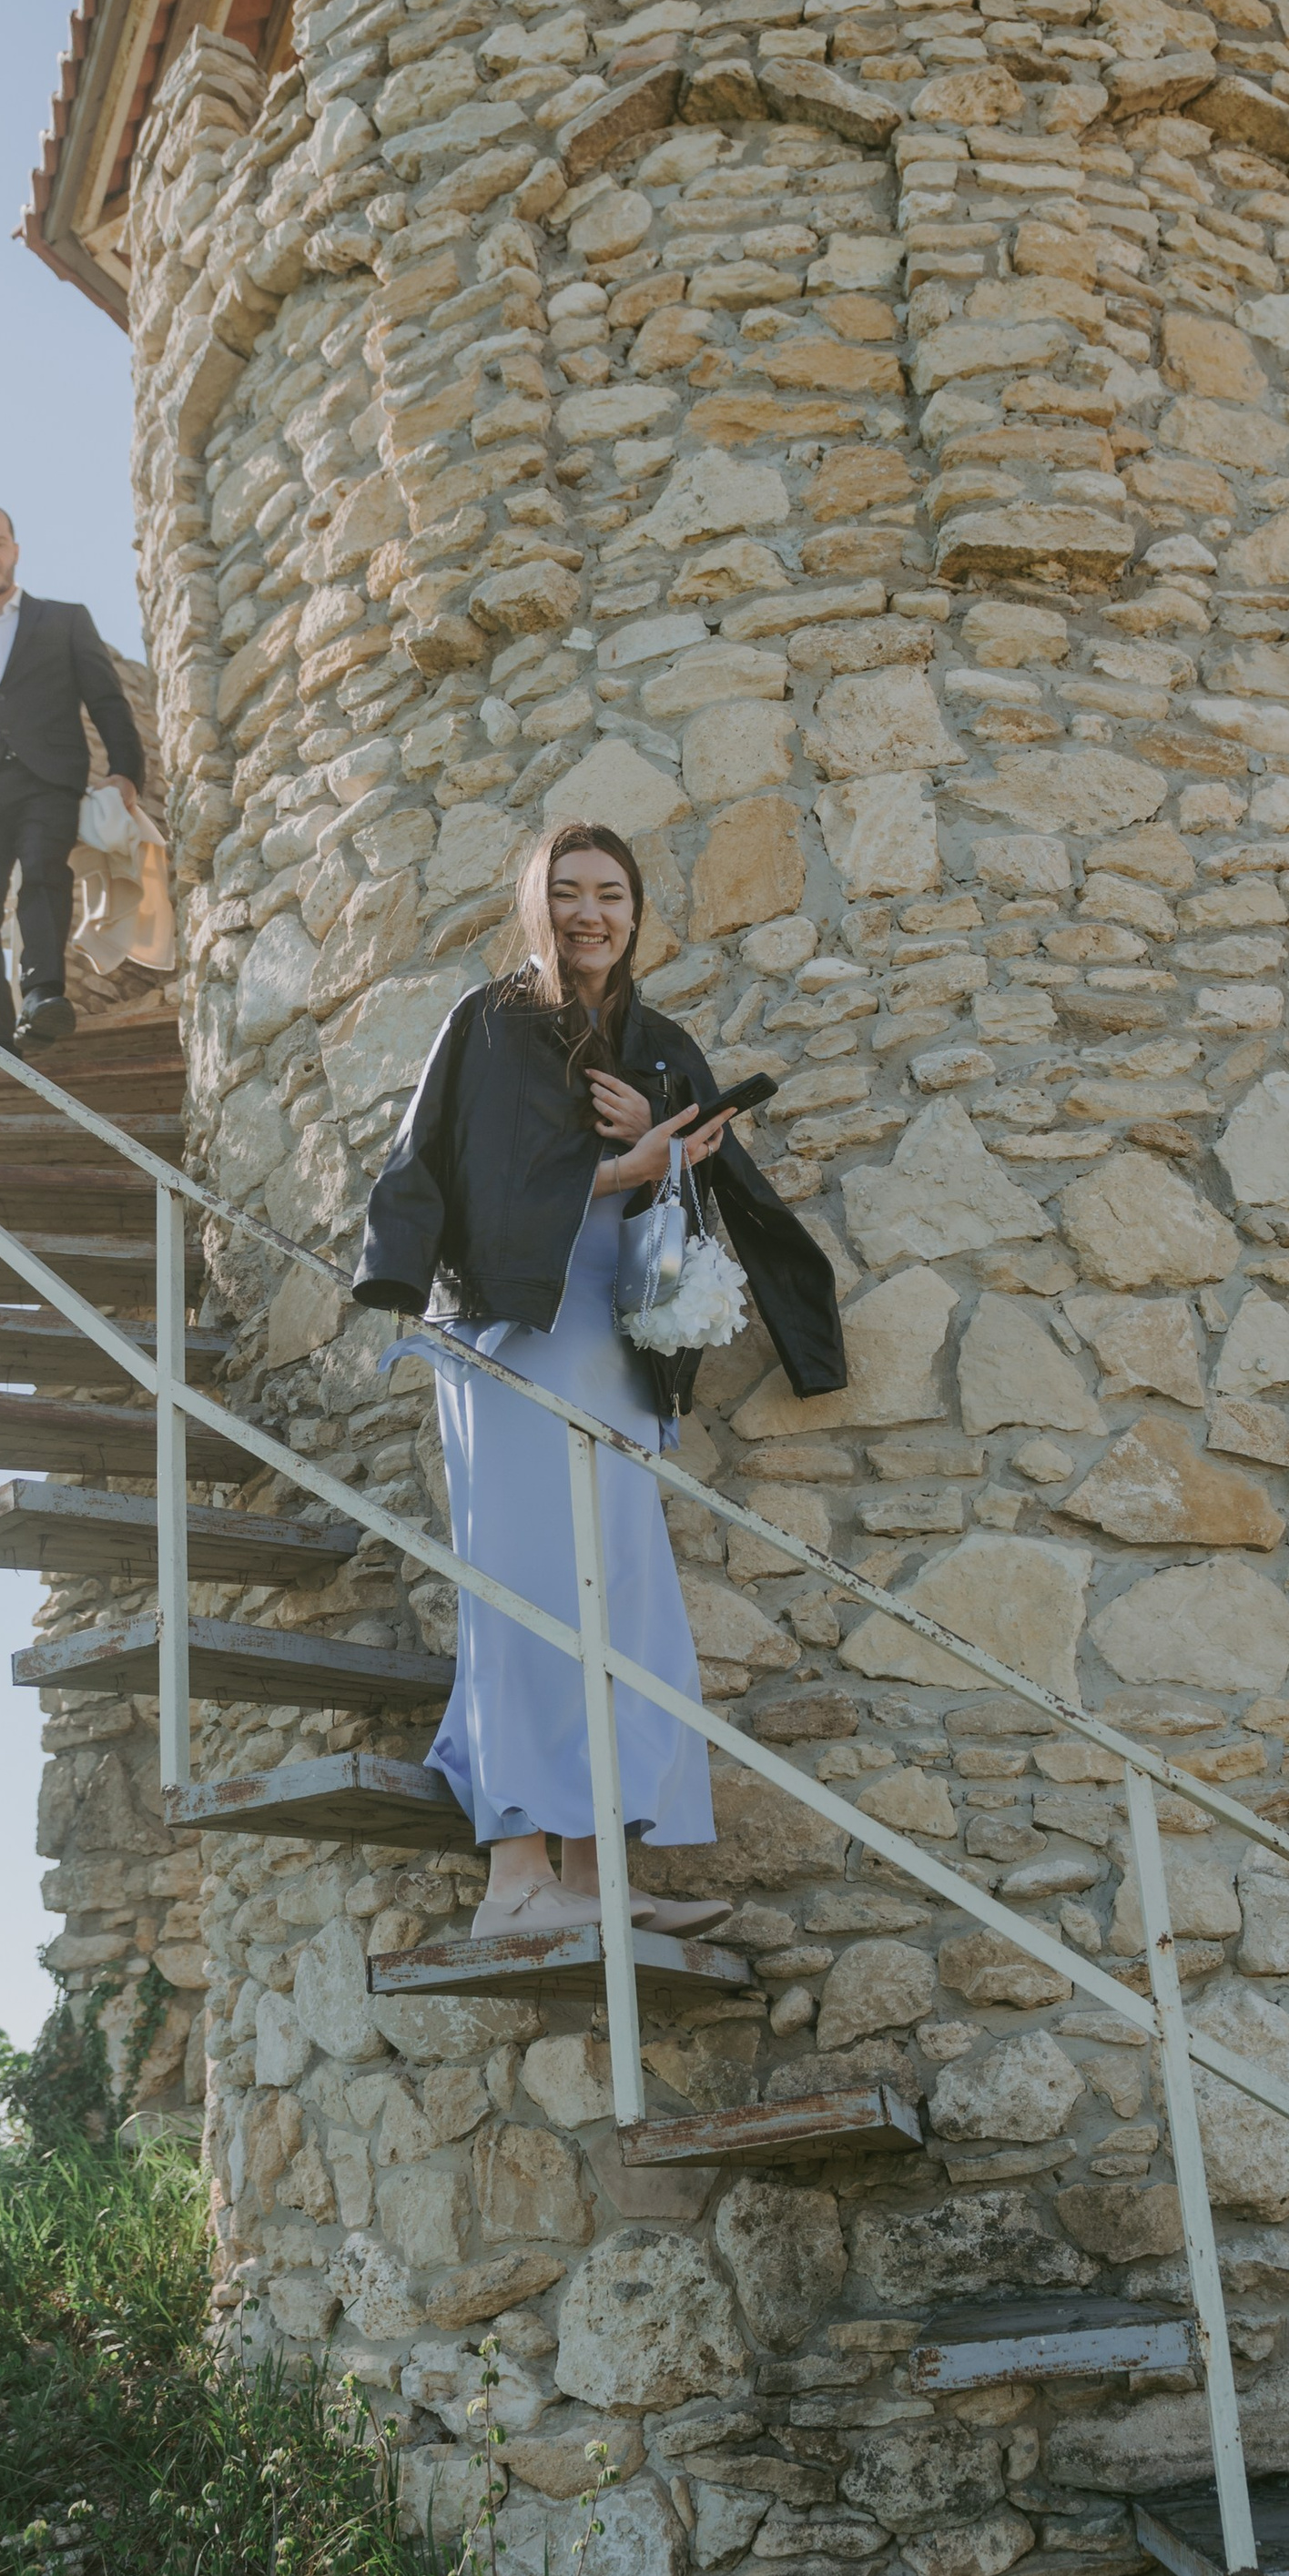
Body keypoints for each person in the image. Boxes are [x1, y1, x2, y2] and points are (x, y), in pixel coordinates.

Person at [352, 822, 847, 1939]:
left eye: (611, 894)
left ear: (635, 913)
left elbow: (704, 1202)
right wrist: (619, 1162)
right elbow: (447, 1178)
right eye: (566, 891)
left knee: (619, 1601)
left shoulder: (658, 1041)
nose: (590, 912)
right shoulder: (486, 1023)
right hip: (514, 1336)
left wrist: (671, 1151)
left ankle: (592, 1883)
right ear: (535, 903)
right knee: (527, 1592)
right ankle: (513, 1881)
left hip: (615, 1343)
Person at [0, 501, 148, 1056]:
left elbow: (107, 700)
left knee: (44, 876)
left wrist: (125, 771)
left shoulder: (65, 620)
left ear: (15, 550)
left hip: (47, 778)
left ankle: (44, 995)